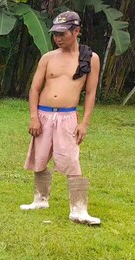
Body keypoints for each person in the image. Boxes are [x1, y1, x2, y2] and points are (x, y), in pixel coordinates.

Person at [21, 10, 101, 225]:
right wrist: (33, 117)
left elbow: (91, 93)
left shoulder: (90, 58)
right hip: (44, 114)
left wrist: (84, 123)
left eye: (62, 34)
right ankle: (40, 199)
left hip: (68, 117)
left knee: (71, 160)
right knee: (39, 158)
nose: (57, 38)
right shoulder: (48, 58)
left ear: (76, 31)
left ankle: (78, 210)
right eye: (55, 34)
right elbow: (34, 89)